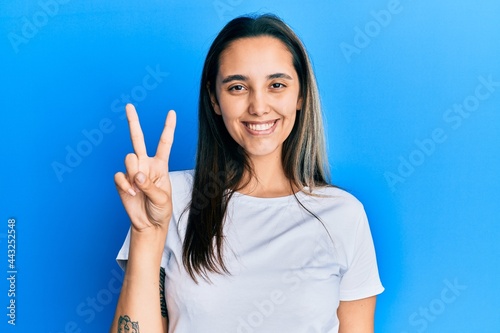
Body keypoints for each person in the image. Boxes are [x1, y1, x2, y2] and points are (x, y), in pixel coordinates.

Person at [111, 14, 384, 333]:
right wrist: (146, 233)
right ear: (214, 99)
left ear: (300, 96)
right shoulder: (167, 198)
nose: (258, 105)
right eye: (238, 87)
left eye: (276, 85)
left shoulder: (343, 215)